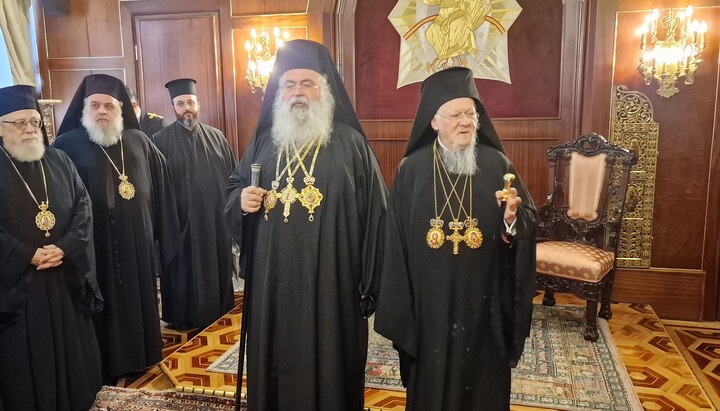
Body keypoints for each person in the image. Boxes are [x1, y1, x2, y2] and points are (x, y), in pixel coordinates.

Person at [225, 40, 387, 410]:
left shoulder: (352, 146)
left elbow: (378, 215)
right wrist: (241, 202)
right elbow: (235, 188)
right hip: (273, 284)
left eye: (307, 84)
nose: (298, 92)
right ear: (280, 92)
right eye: (290, 84)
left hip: (334, 283)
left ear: (325, 89)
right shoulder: (265, 142)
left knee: (332, 362)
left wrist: (370, 282)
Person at [374, 67, 537, 410]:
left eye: (471, 114)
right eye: (455, 115)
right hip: (428, 304)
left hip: (483, 304)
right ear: (434, 122)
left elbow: (526, 222)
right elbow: (395, 241)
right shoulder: (411, 170)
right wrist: (404, 308)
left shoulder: (497, 164)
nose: (465, 122)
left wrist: (510, 221)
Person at [53, 74, 181, 380]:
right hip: (93, 246)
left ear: (120, 109)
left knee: (139, 296)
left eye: (108, 106)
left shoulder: (139, 141)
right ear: (84, 109)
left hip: (137, 244)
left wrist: (165, 234)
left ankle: (144, 352)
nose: (101, 111)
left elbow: (162, 190)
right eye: (94, 105)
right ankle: (105, 361)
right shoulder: (66, 146)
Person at [0, 84, 103, 410]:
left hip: (64, 280)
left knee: (73, 354)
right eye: (19, 123)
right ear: (0, 128)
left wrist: (65, 247)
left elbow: (83, 210)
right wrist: (24, 254)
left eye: (34, 121)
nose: (30, 129)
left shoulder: (59, 160)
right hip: (19, 291)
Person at [152, 78, 236, 329]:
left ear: (198, 104)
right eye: (180, 103)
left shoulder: (217, 137)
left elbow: (233, 178)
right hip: (179, 222)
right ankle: (182, 315)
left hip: (214, 222)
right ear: (173, 107)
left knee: (215, 266)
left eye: (190, 102)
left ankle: (218, 311)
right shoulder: (159, 141)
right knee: (181, 270)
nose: (186, 107)